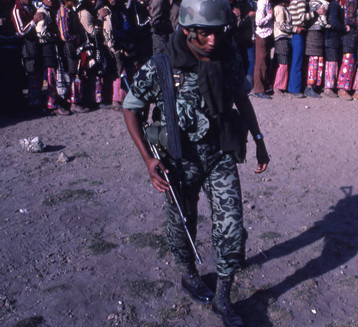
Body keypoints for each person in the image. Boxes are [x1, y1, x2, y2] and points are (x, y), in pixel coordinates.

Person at [122, 0, 270, 326]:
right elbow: (130, 107)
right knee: (182, 223)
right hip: (178, 159)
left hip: (220, 154)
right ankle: (188, 273)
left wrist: (259, 141)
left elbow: (241, 98)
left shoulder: (227, 58)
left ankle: (223, 298)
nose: (212, 41)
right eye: (204, 34)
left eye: (217, 33)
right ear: (187, 30)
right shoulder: (161, 66)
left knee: (231, 224)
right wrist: (148, 159)